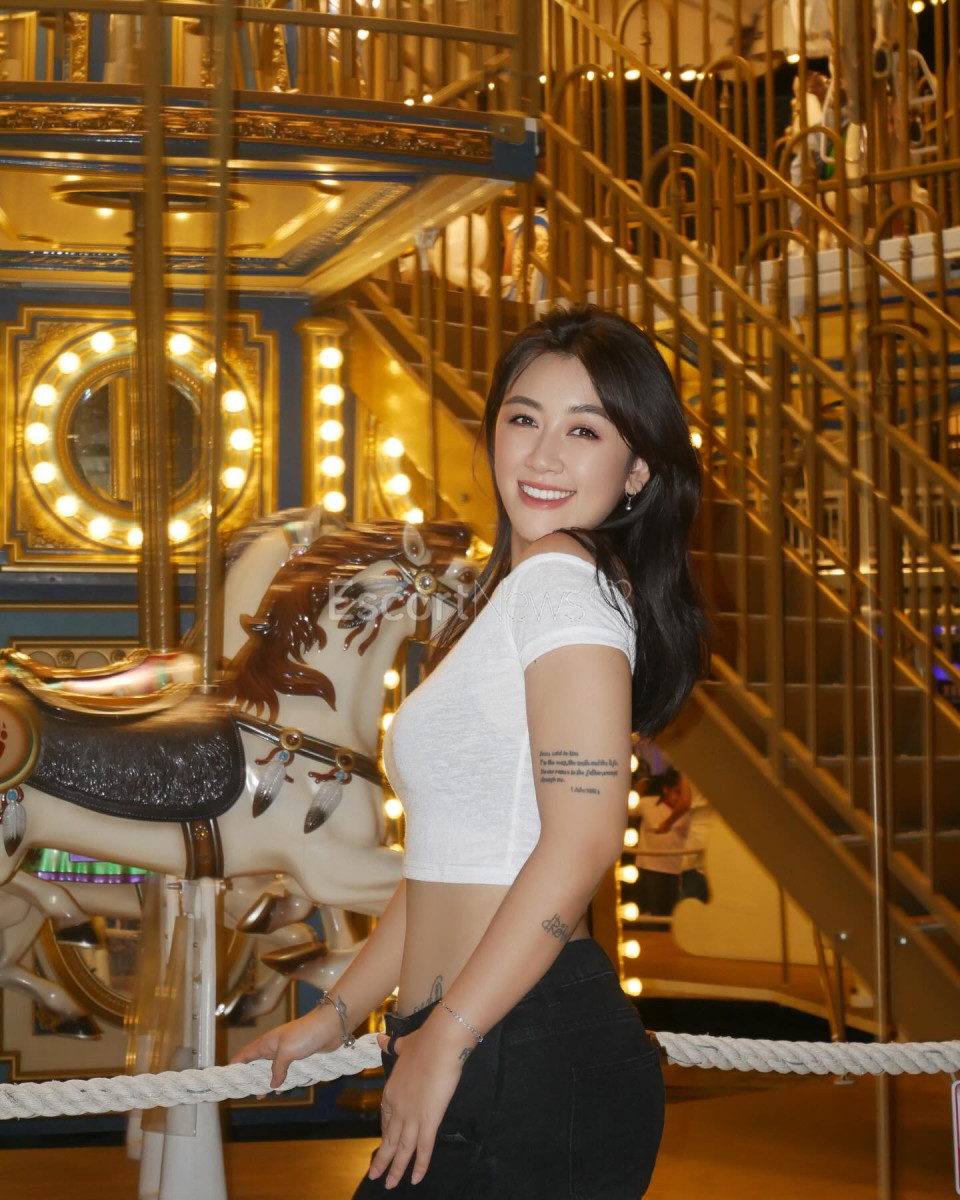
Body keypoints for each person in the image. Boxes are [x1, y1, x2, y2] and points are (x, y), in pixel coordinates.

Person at [232, 303, 710, 1197]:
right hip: (478, 1034)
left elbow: (582, 841)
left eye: (585, 430)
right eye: (524, 419)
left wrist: (449, 1035)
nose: (543, 455)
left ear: (638, 469)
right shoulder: (525, 594)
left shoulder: (563, 586)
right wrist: (339, 1016)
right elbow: (443, 865)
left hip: (516, 1044)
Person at [635, 767, 694, 916]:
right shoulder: (647, 803)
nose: (679, 798)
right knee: (654, 912)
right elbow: (626, 811)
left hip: (676, 869)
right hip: (651, 867)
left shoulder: (687, 812)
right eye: (677, 792)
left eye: (682, 793)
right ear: (665, 789)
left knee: (673, 915)